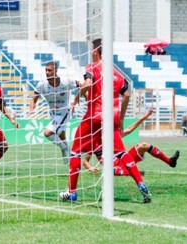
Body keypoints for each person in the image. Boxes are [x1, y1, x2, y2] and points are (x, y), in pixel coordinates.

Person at [59, 38, 151, 203]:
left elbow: (87, 84)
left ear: (95, 51)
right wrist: (121, 118)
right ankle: (141, 184)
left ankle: (71, 192)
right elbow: (127, 95)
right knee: (121, 152)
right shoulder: (116, 73)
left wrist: (77, 98)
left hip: (94, 116)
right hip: (112, 117)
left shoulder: (92, 67)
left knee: (75, 151)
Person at [83, 109, 180, 178]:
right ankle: (131, 172)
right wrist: (90, 168)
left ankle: (170, 161)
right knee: (113, 171)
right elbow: (85, 161)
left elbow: (129, 129)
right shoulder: (93, 143)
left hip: (124, 158)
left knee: (144, 145)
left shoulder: (110, 136)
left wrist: (145, 117)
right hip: (113, 166)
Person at [29, 61, 82, 164]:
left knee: (47, 133)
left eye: (50, 70)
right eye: (46, 70)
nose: (47, 72)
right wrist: (31, 109)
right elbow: (34, 99)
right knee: (62, 136)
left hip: (64, 110)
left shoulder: (65, 82)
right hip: (53, 113)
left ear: (56, 70)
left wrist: (76, 101)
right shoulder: (42, 85)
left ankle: (64, 148)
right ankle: (71, 162)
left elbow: (81, 85)